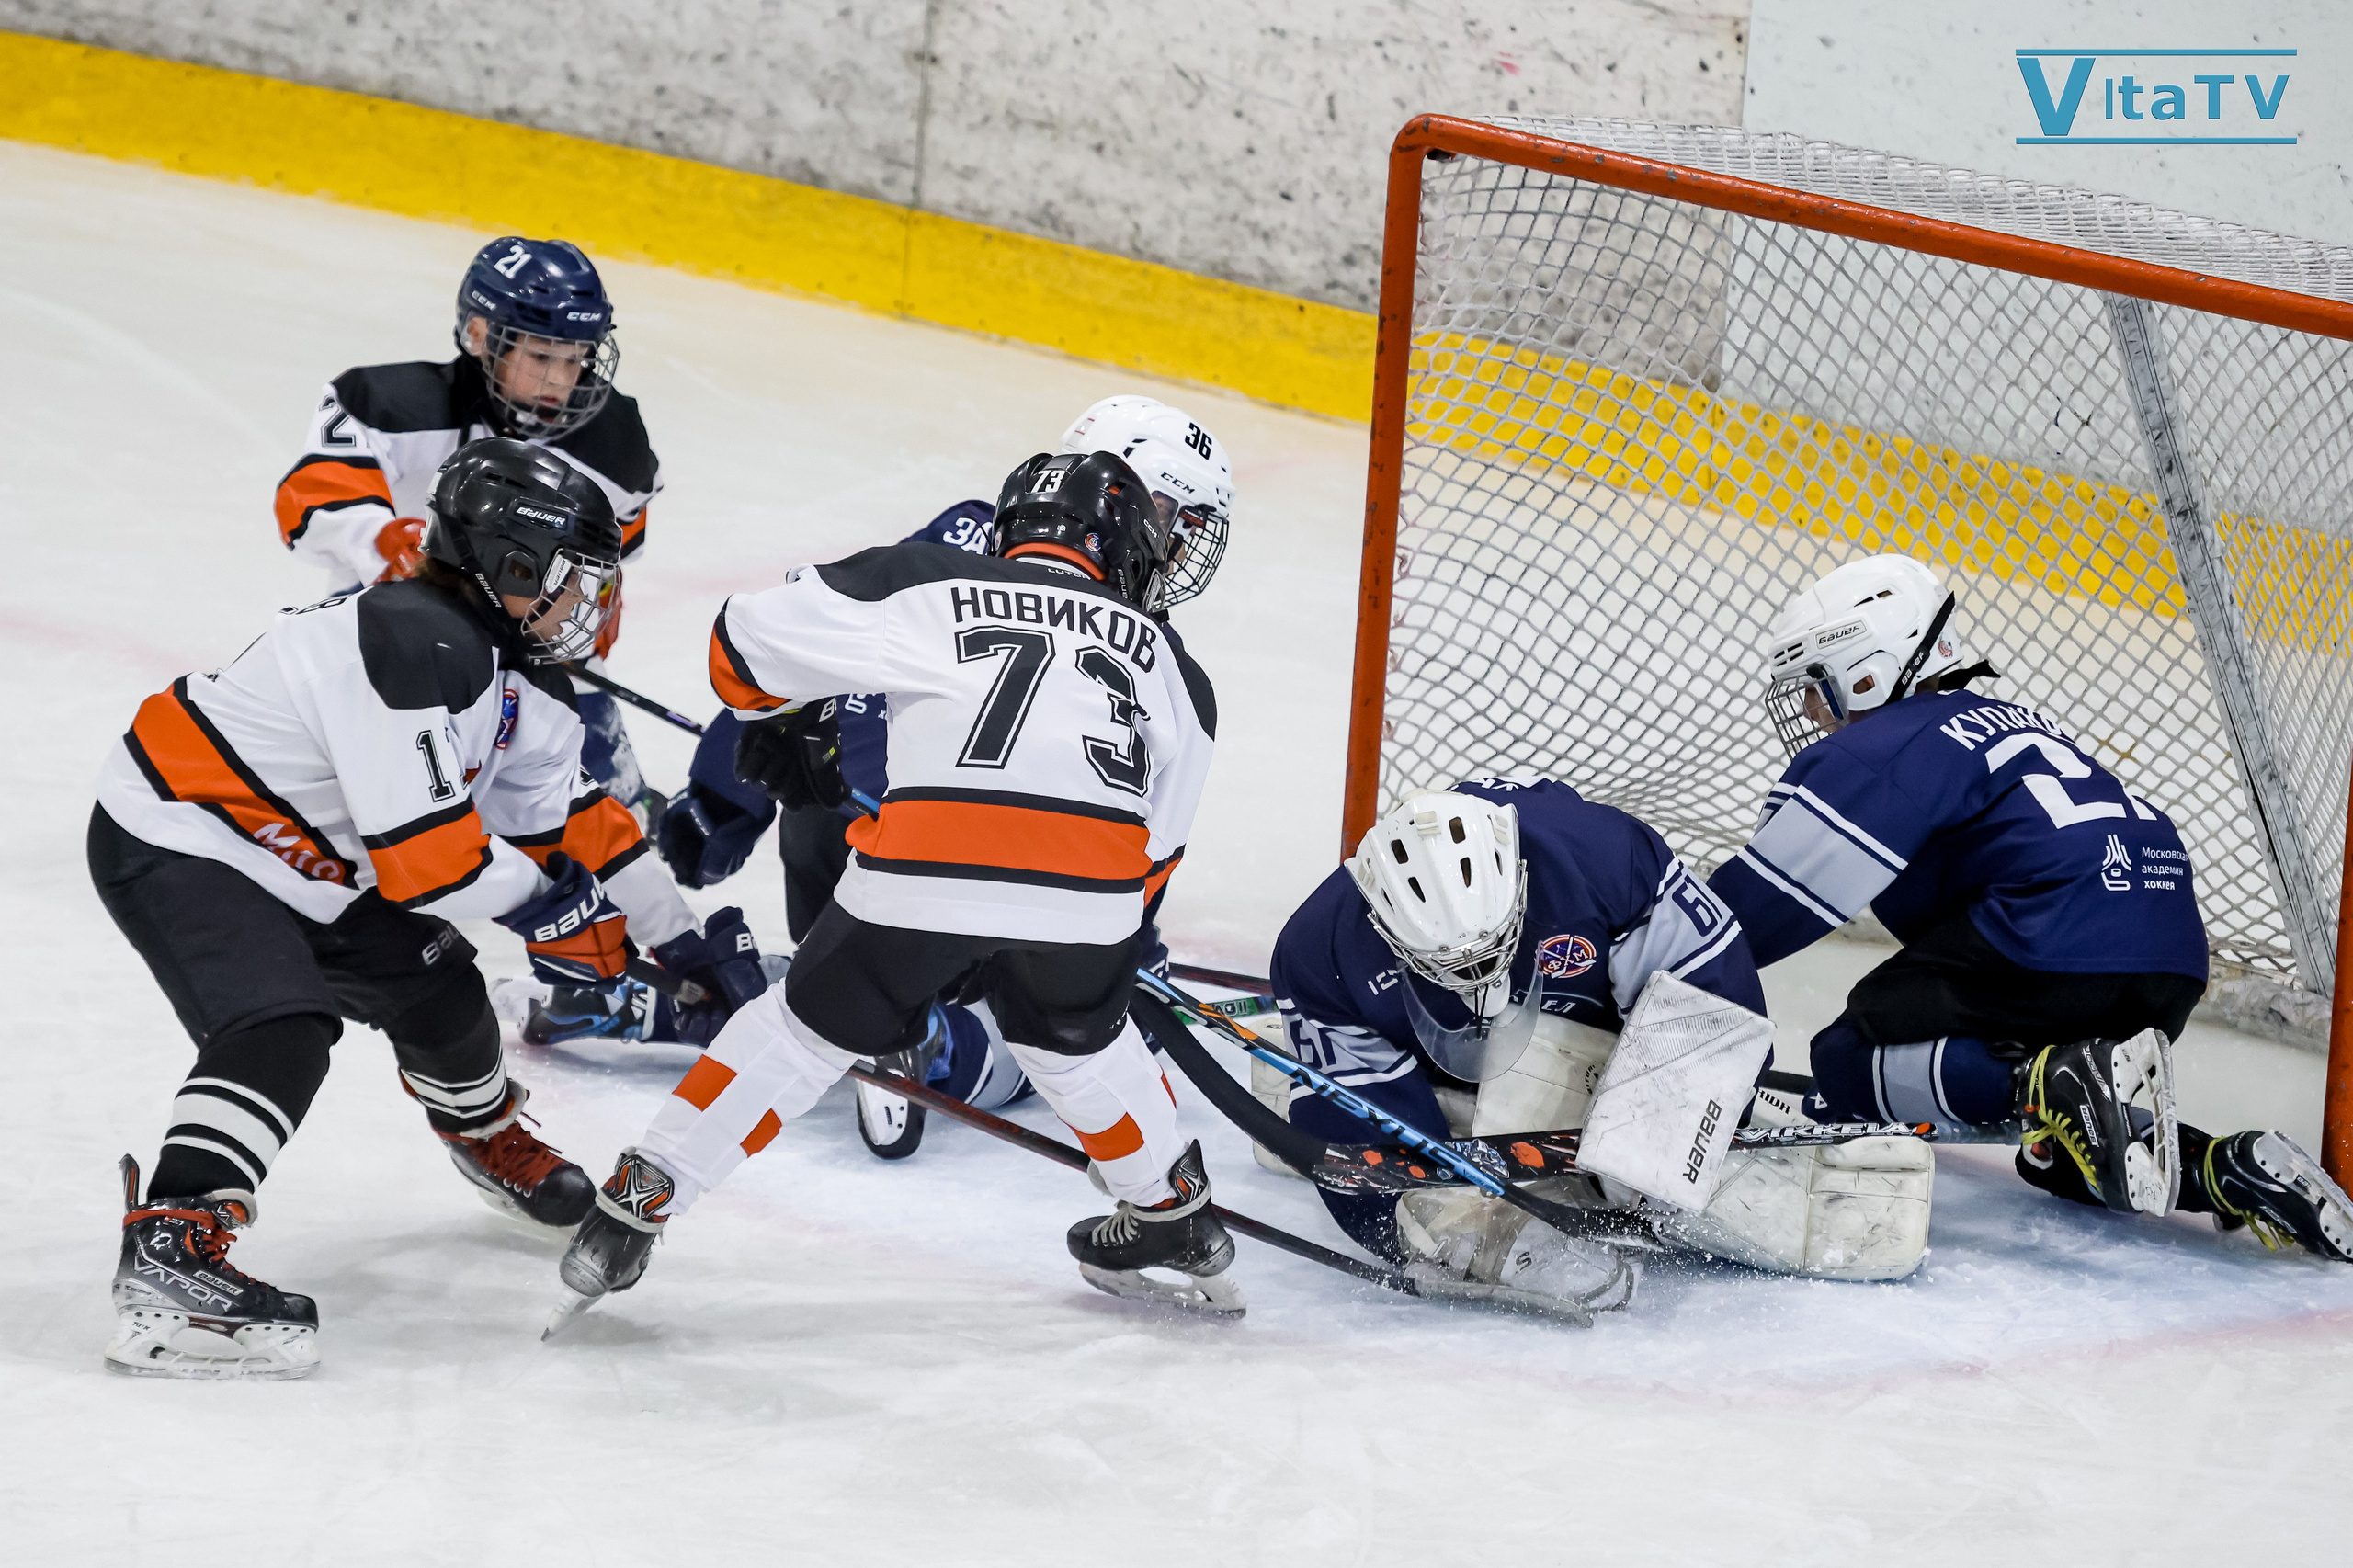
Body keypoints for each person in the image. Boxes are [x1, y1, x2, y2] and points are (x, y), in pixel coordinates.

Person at [96, 439, 765, 1381]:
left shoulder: (527, 686)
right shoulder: (410, 638)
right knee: (281, 1026)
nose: (591, 606)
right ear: (511, 566)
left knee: (443, 991)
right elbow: (427, 864)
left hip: (323, 862)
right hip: (188, 830)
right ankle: (173, 1241)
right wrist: (553, 913)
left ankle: (486, 1136)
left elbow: (580, 831)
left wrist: (683, 946)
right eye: (573, 580)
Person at [548, 449, 1233, 1334]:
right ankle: (1175, 1213)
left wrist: (794, 715)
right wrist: (1042, 933)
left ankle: (639, 1203)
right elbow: (1155, 857)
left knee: (798, 1033)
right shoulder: (1176, 667)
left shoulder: (927, 577)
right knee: (1080, 1044)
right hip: (1090, 890)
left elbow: (737, 646)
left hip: (920, 873)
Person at [1708, 553, 2350, 1262]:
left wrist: (1648, 949)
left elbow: (1753, 913)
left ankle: (2038, 1084)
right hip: (2169, 956)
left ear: (1870, 670)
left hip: (2054, 933)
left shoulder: (1887, 741)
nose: (1811, 710)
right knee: (2064, 1158)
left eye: (1820, 686)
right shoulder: (2011, 720)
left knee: (1846, 1057)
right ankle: (2227, 1168)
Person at [1263, 777, 1932, 1315]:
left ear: (1520, 882)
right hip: (1436, 1055)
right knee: (1382, 1137)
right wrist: (1454, 1224)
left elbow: (1717, 1001)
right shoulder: (1319, 948)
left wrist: (1663, 1134)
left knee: (1683, 1155)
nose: (1479, 978)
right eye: (1450, 965)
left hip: (1603, 1030)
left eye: (1492, 950)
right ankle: (1319, 1068)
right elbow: (1357, 1139)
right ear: (1380, 924)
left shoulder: (1603, 858)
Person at [271, 236, 665, 819]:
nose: (562, 379)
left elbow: (617, 541)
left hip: (532, 627)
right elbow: (313, 499)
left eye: (576, 357)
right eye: (542, 357)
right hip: (394, 611)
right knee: (363, 800)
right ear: (481, 336)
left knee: (603, 813)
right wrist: (383, 541)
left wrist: (595, 600)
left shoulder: (615, 439)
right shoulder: (388, 403)